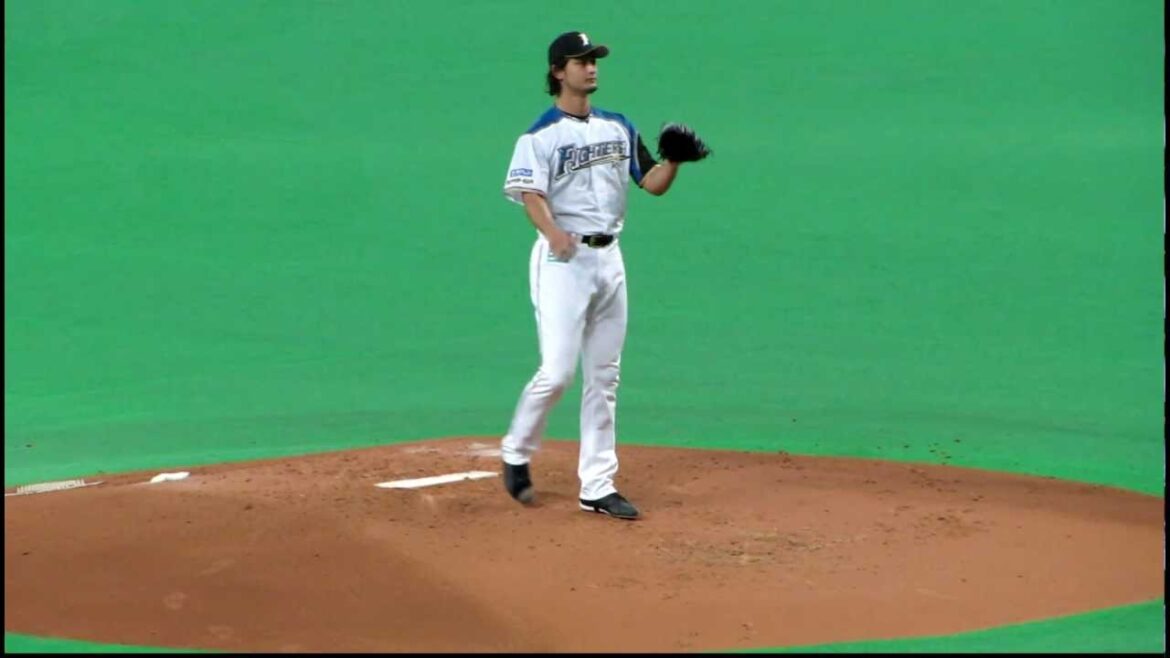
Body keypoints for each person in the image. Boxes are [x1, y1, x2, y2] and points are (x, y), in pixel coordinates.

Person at [499, 31, 687, 520]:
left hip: (610, 261)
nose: (591, 67)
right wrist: (553, 233)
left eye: (594, 59)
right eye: (581, 61)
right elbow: (530, 194)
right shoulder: (539, 136)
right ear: (558, 71)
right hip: (563, 263)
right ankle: (517, 450)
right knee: (558, 372)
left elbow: (651, 183)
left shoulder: (618, 126)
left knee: (605, 376)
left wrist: (674, 162)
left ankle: (598, 486)